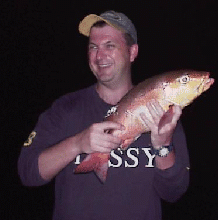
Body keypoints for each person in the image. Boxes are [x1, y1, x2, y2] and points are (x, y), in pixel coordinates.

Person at [18, 10, 190, 220]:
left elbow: (174, 193)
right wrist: (77, 143)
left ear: (132, 52)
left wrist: (163, 146)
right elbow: (27, 172)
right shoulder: (65, 108)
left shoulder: (163, 114)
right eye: (93, 47)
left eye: (110, 45)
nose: (99, 56)